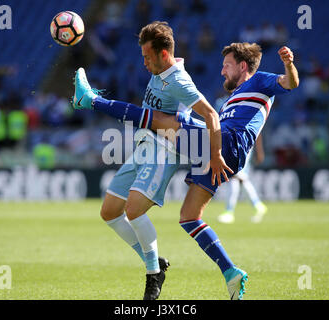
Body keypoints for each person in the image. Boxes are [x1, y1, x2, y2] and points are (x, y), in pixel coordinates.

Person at [73, 42, 299, 299]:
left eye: (226, 65)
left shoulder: (259, 81)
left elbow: (290, 83)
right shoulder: (231, 99)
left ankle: (91, 100)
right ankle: (231, 273)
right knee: (189, 217)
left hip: (227, 142)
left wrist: (289, 64)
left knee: (160, 121)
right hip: (223, 148)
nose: (222, 71)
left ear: (242, 66)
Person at [74, 21, 227, 300]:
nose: (144, 62)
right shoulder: (163, 69)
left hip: (164, 151)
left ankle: (152, 274)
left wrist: (215, 154)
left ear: (163, 55)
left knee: (134, 210)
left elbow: (211, 115)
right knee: (109, 212)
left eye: (147, 56)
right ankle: (155, 265)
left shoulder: (179, 81)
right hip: (143, 146)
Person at [217, 135, 268, 224]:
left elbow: (258, 127)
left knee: (235, 175)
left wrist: (259, 150)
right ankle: (257, 205)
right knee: (239, 177)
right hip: (235, 143)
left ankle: (229, 212)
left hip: (244, 143)